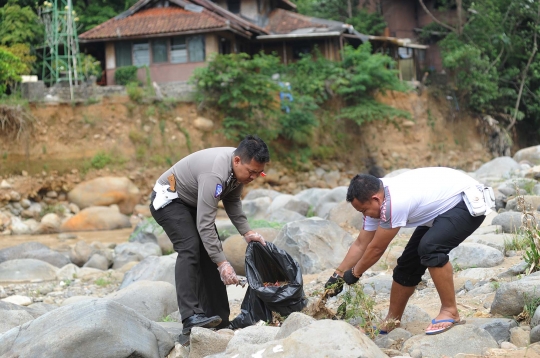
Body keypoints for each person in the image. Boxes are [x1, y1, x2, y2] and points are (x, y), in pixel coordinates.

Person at [325, 167, 488, 335]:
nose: (364, 215)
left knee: (430, 248)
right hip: (442, 207)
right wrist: (337, 275)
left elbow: (377, 248)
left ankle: (450, 311)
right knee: (407, 264)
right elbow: (361, 243)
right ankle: (391, 321)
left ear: (375, 198)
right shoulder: (377, 200)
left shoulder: (394, 203)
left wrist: (355, 273)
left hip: (468, 200)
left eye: (364, 210)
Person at [150, 135, 269, 335]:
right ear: (237, 160)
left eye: (259, 173)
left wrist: (247, 233)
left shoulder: (238, 169)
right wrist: (223, 264)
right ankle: (190, 317)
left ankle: (219, 319)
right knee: (190, 247)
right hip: (169, 200)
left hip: (192, 202)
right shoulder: (215, 172)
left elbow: (232, 203)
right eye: (251, 172)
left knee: (211, 252)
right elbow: (205, 224)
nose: (253, 178)